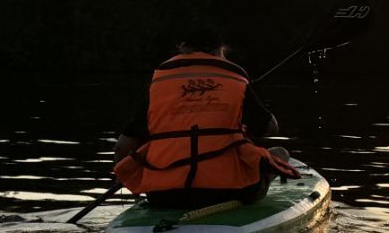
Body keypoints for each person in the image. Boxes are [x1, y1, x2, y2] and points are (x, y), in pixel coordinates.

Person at [112, 27, 299, 208]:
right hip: (227, 193)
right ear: (219, 50)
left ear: (183, 49)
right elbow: (270, 128)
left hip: (163, 195)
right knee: (280, 154)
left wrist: (123, 179)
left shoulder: (160, 83)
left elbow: (123, 145)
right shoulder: (235, 79)